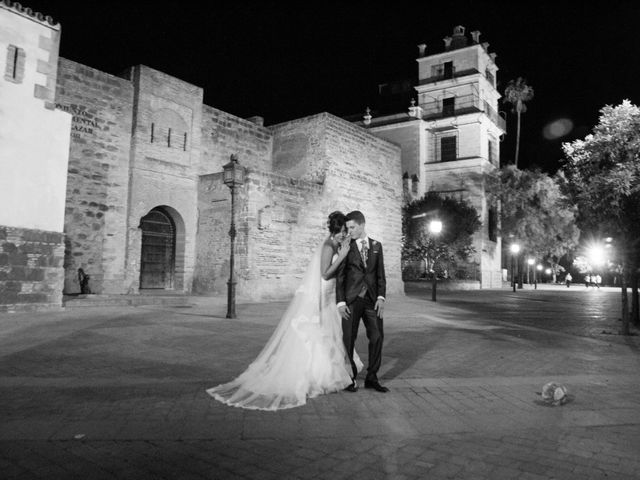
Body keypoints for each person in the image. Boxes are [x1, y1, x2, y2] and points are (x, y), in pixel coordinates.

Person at [206, 211, 362, 410]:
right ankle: (316, 376)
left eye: (344, 231)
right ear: (333, 231)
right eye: (340, 231)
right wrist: (341, 258)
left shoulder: (338, 245)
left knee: (332, 335)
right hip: (323, 293)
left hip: (331, 296)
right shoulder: (328, 246)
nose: (343, 235)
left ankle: (331, 375)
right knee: (319, 335)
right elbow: (324, 274)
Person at [336, 210, 389, 393]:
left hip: (372, 301)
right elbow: (340, 276)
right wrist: (341, 303)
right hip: (351, 300)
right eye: (347, 228)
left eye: (352, 227)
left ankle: (372, 377)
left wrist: (381, 297)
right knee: (348, 339)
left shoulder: (377, 246)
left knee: (377, 337)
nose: (349, 231)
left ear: (362, 225)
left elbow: (380, 275)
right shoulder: (346, 246)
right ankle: (349, 378)